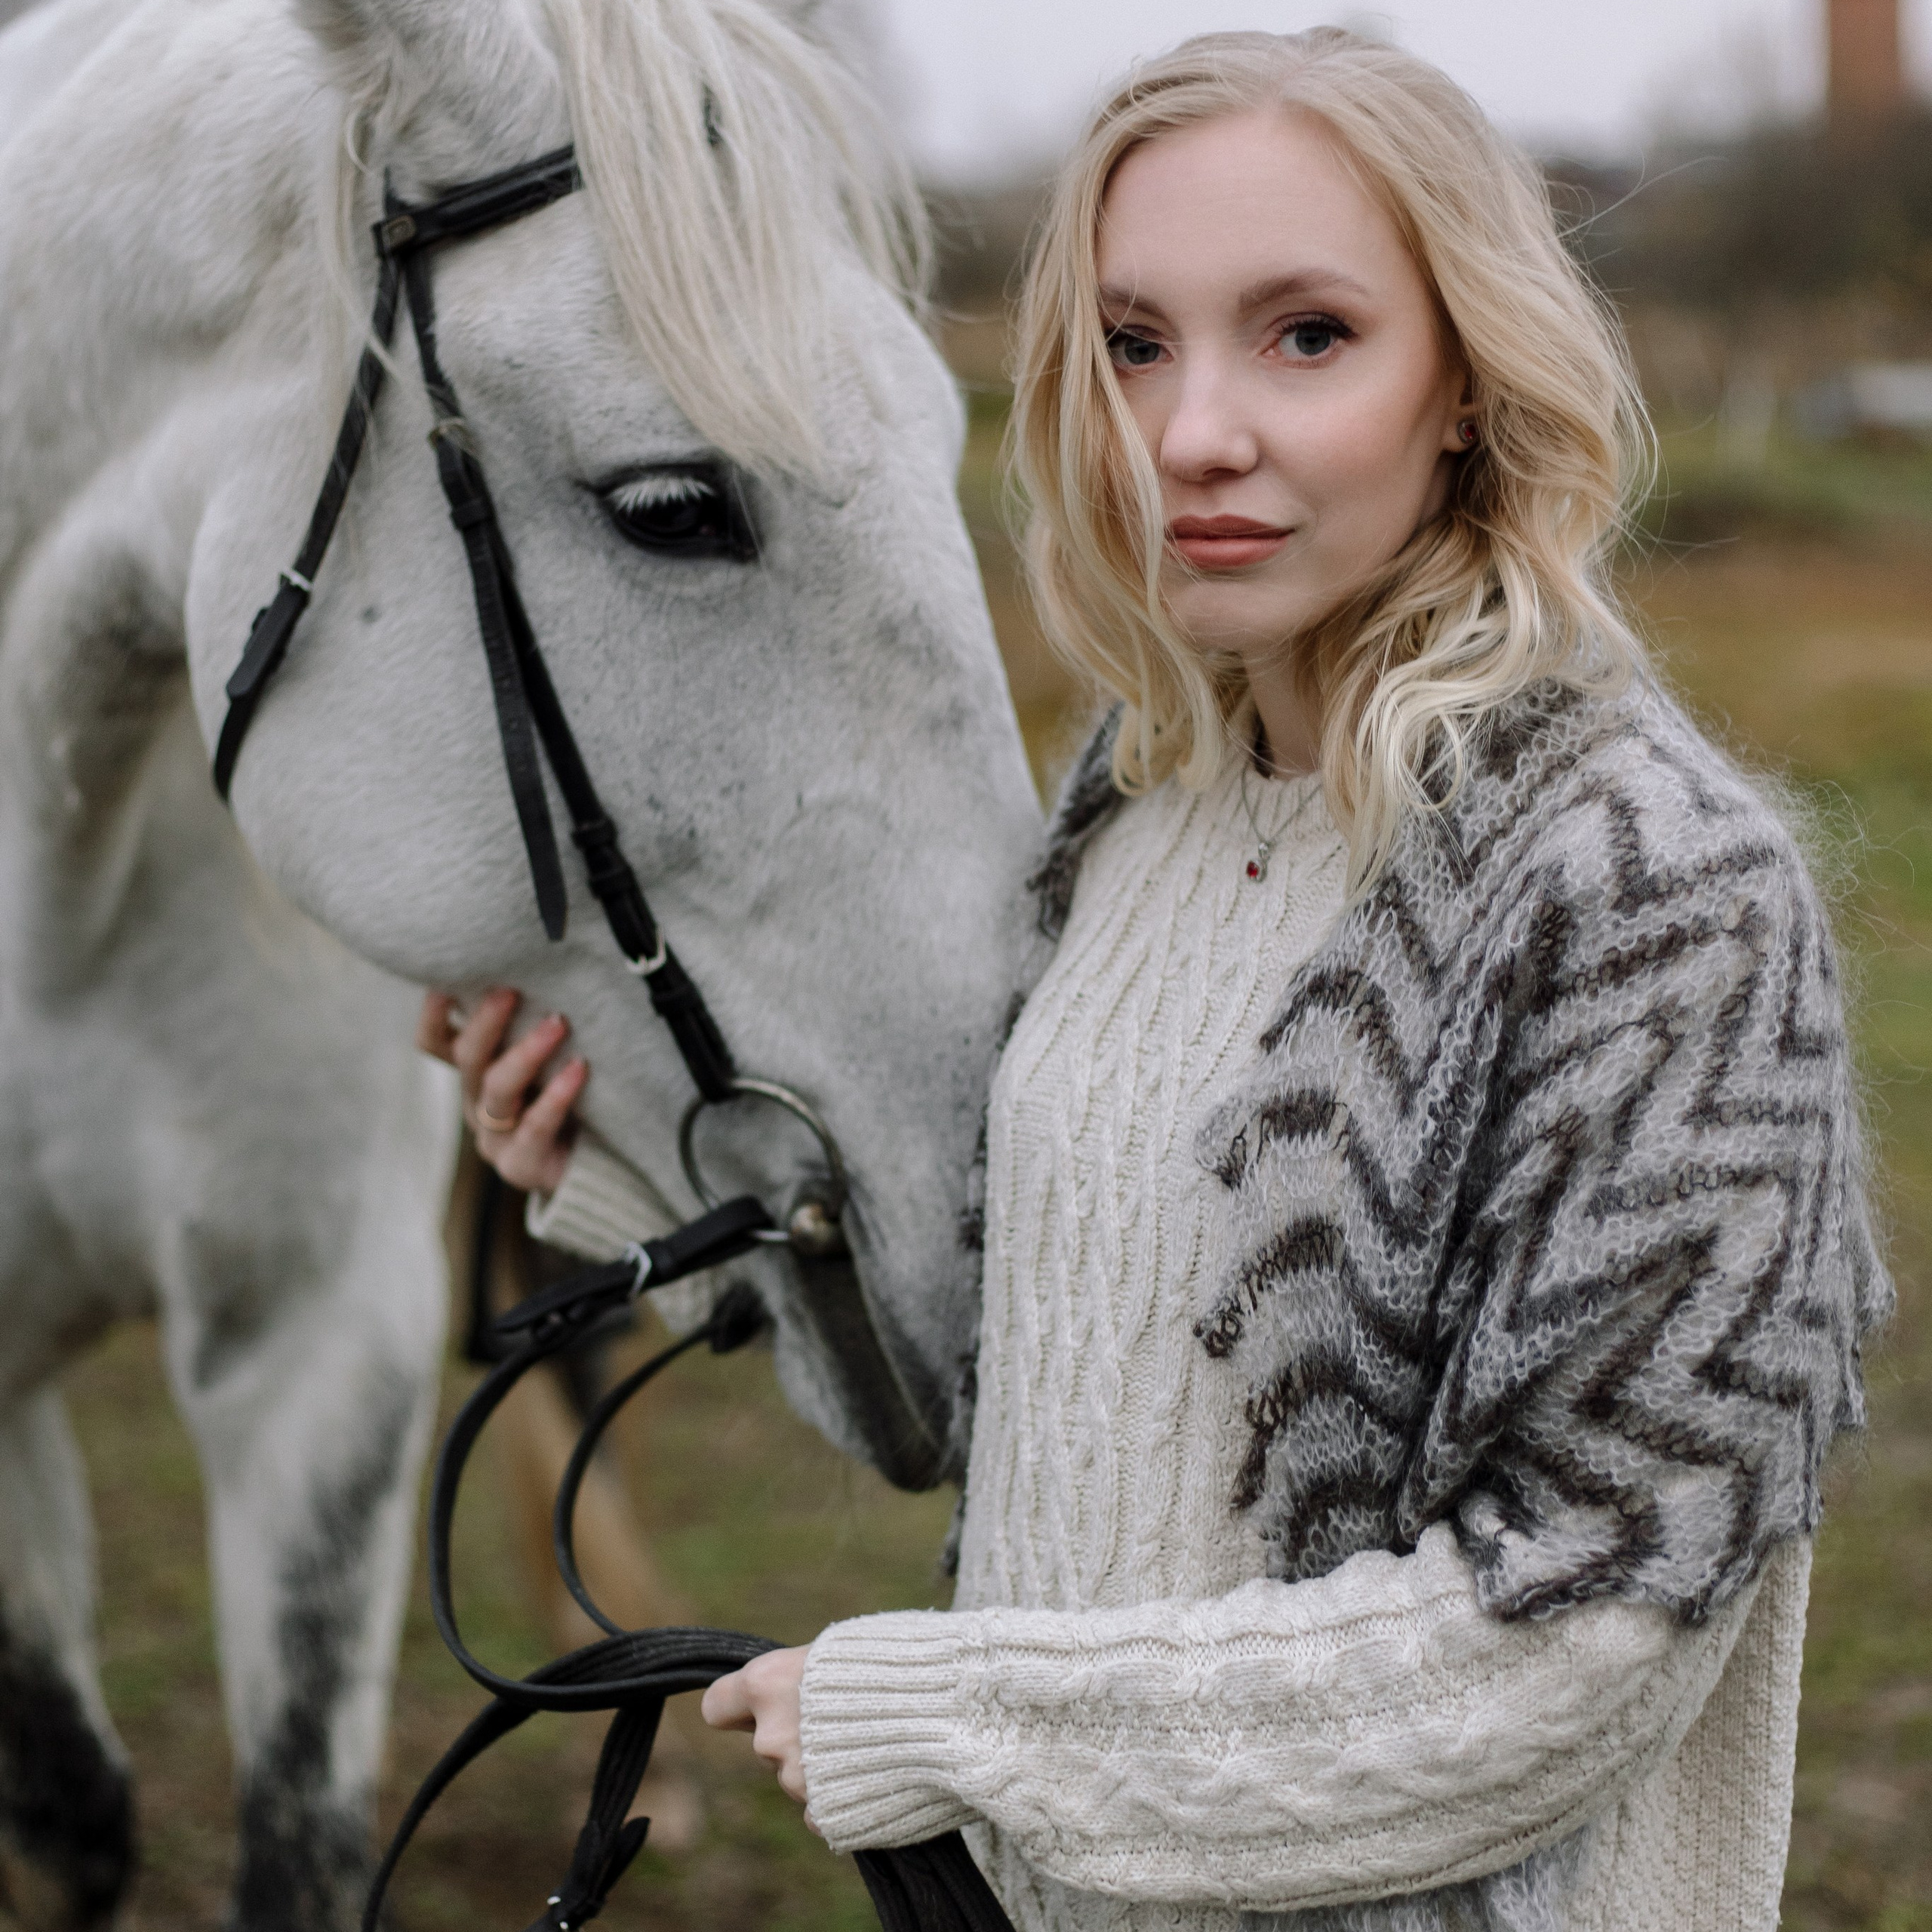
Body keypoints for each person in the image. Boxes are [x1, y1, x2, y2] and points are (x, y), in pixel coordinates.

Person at [420, 29, 1888, 1930]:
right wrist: (612, 1172)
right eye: (1133, 342)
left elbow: (1574, 1647)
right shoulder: (1139, 797)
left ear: (1464, 377)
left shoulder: (1650, 893)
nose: (1191, 430)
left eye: (1304, 336)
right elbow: (1012, 1369)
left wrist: (962, 1713)